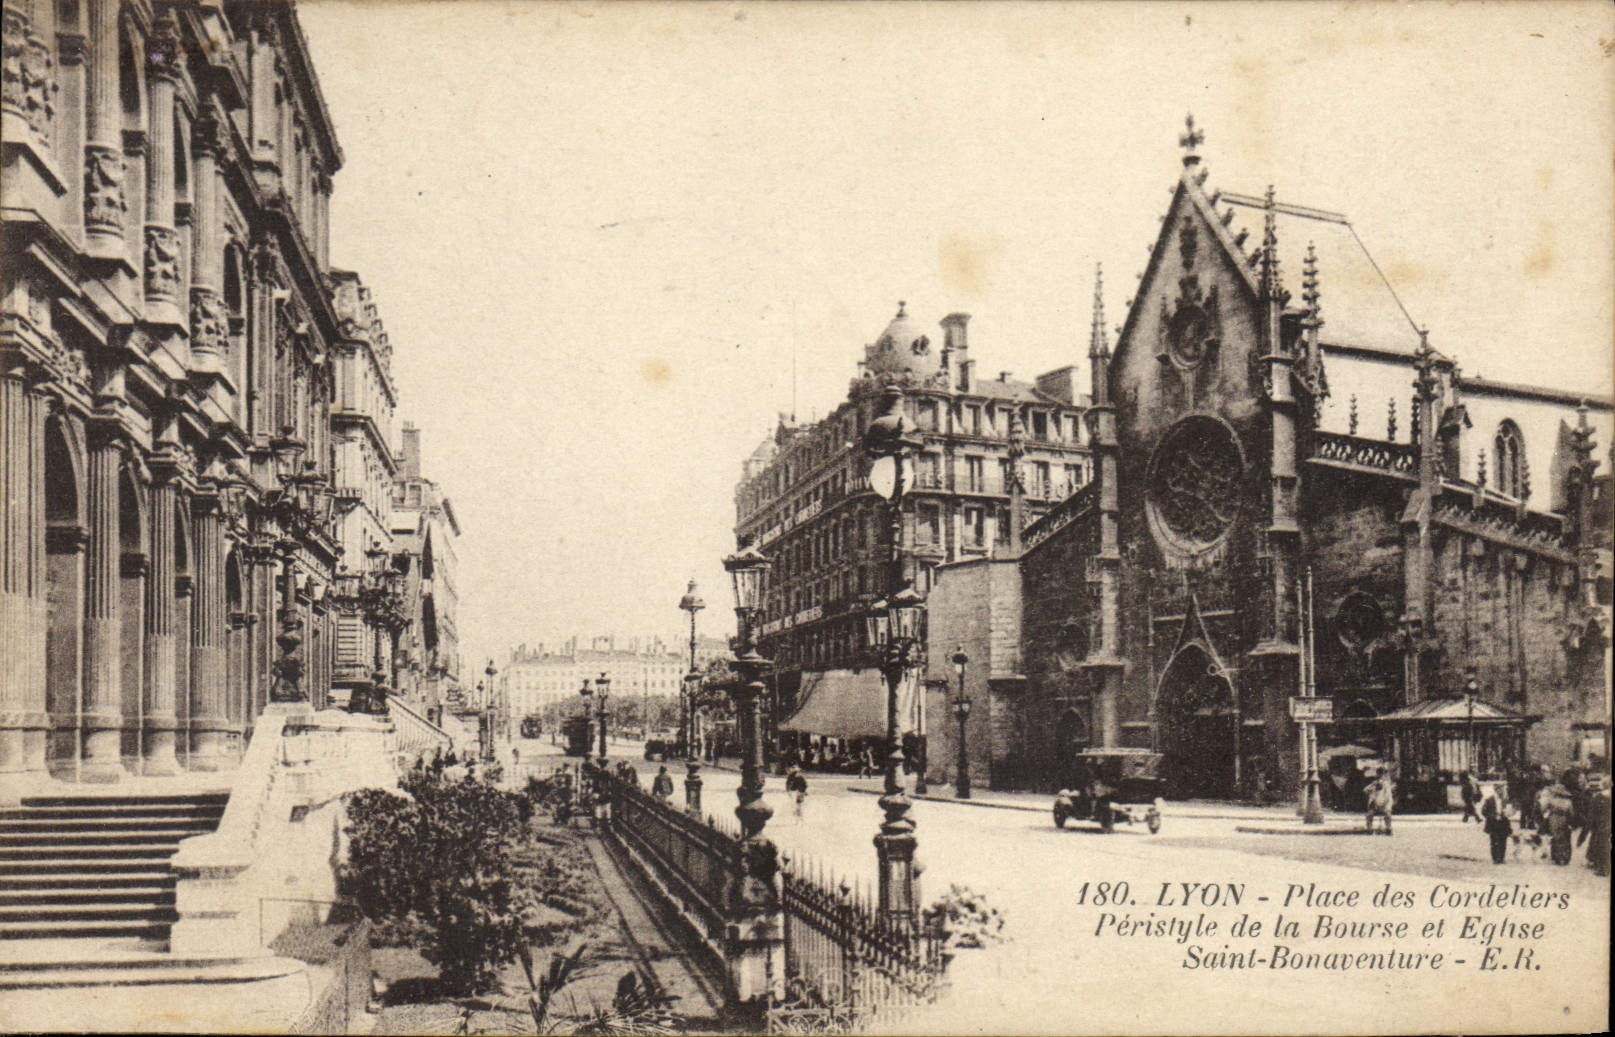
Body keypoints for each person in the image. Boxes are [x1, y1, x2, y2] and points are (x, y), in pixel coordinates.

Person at [1481, 792, 1512, 865]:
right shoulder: (1489, 800)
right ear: (1496, 790)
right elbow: (1484, 811)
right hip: (1493, 823)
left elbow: (1510, 810)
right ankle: (1495, 858)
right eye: (1499, 789)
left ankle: (1501, 858)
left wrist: (1508, 813)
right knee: (1494, 841)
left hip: (1503, 823)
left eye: (1502, 789)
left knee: (1503, 841)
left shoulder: (1505, 800)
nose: (1501, 792)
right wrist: (1493, 816)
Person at [1365, 770, 1395, 835]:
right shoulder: (1374, 786)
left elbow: (1388, 799)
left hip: (1384, 805)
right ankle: (1369, 828)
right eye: (1378, 778)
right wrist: (1372, 785)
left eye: (1381, 779)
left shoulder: (1386, 787)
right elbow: (1365, 790)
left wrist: (1385, 806)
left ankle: (1388, 828)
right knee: (1369, 814)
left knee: (1388, 813)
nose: (1379, 781)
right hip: (1375, 805)